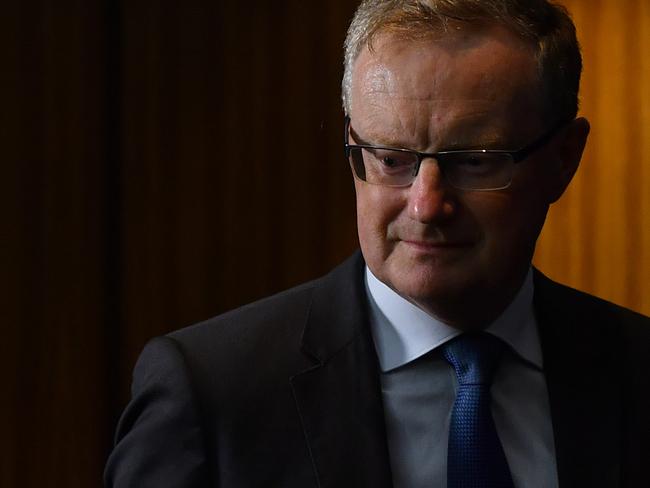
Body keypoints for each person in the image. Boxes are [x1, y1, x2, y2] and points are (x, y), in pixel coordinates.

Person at [105, 1, 650, 487]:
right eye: (391, 159)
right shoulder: (212, 393)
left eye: (475, 162)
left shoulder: (635, 370)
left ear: (564, 159)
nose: (426, 205)